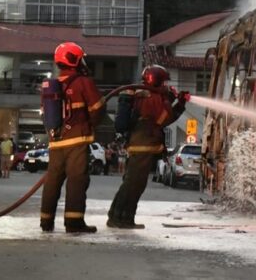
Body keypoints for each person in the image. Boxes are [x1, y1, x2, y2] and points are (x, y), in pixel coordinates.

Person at [107, 65, 188, 229]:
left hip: (140, 144)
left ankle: (124, 218)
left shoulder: (145, 94)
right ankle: (118, 218)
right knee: (133, 184)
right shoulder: (151, 96)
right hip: (142, 145)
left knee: (134, 183)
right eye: (164, 82)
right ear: (156, 80)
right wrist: (176, 101)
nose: (165, 85)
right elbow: (164, 118)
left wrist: (175, 101)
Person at [40, 42, 106, 234]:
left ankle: (46, 221)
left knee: (52, 180)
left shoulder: (52, 86)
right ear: (74, 59)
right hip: (77, 139)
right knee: (77, 180)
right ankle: (74, 222)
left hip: (56, 141)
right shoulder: (84, 82)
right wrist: (91, 124)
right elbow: (98, 109)